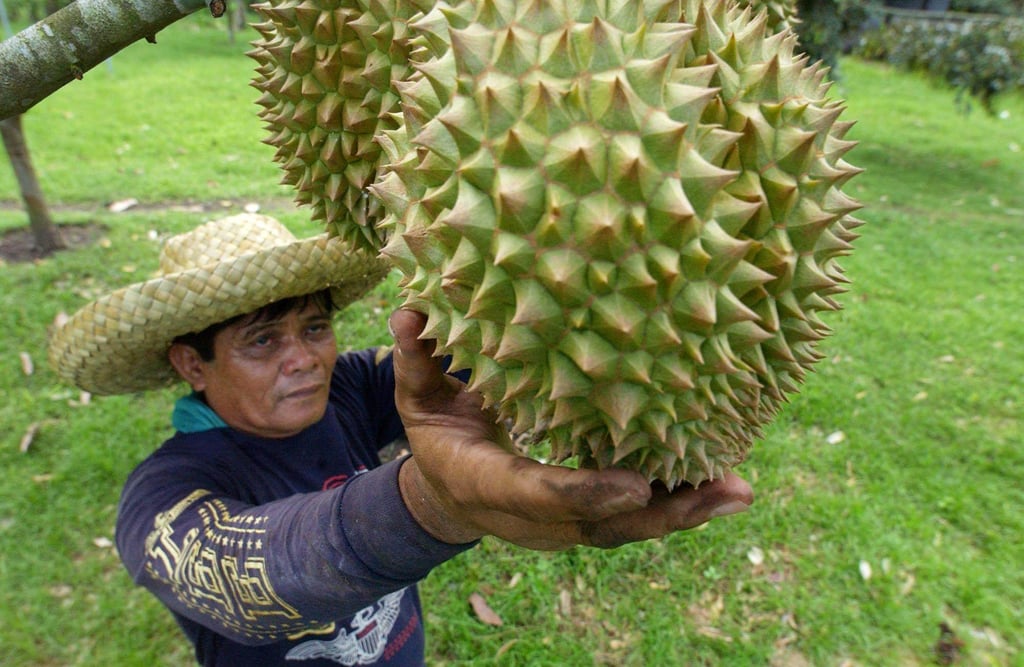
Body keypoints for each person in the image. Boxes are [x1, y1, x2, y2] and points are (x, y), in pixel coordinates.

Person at [48, 214, 753, 666]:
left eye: (314, 328)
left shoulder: (352, 387)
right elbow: (248, 583)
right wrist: (433, 507)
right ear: (191, 364)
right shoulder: (163, 494)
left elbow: (479, 352)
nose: (305, 359)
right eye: (262, 340)